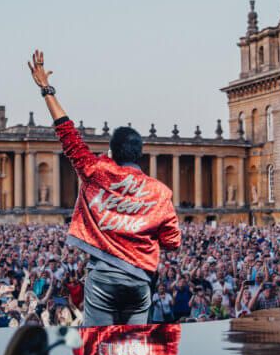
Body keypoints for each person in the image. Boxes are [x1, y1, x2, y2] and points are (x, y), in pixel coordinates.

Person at [29, 49, 181, 325]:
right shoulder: (160, 192)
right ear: (139, 155)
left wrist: (46, 90)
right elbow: (172, 242)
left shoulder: (97, 171)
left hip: (103, 278)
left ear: (110, 153)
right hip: (140, 280)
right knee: (135, 352)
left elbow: (68, 133)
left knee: (97, 348)